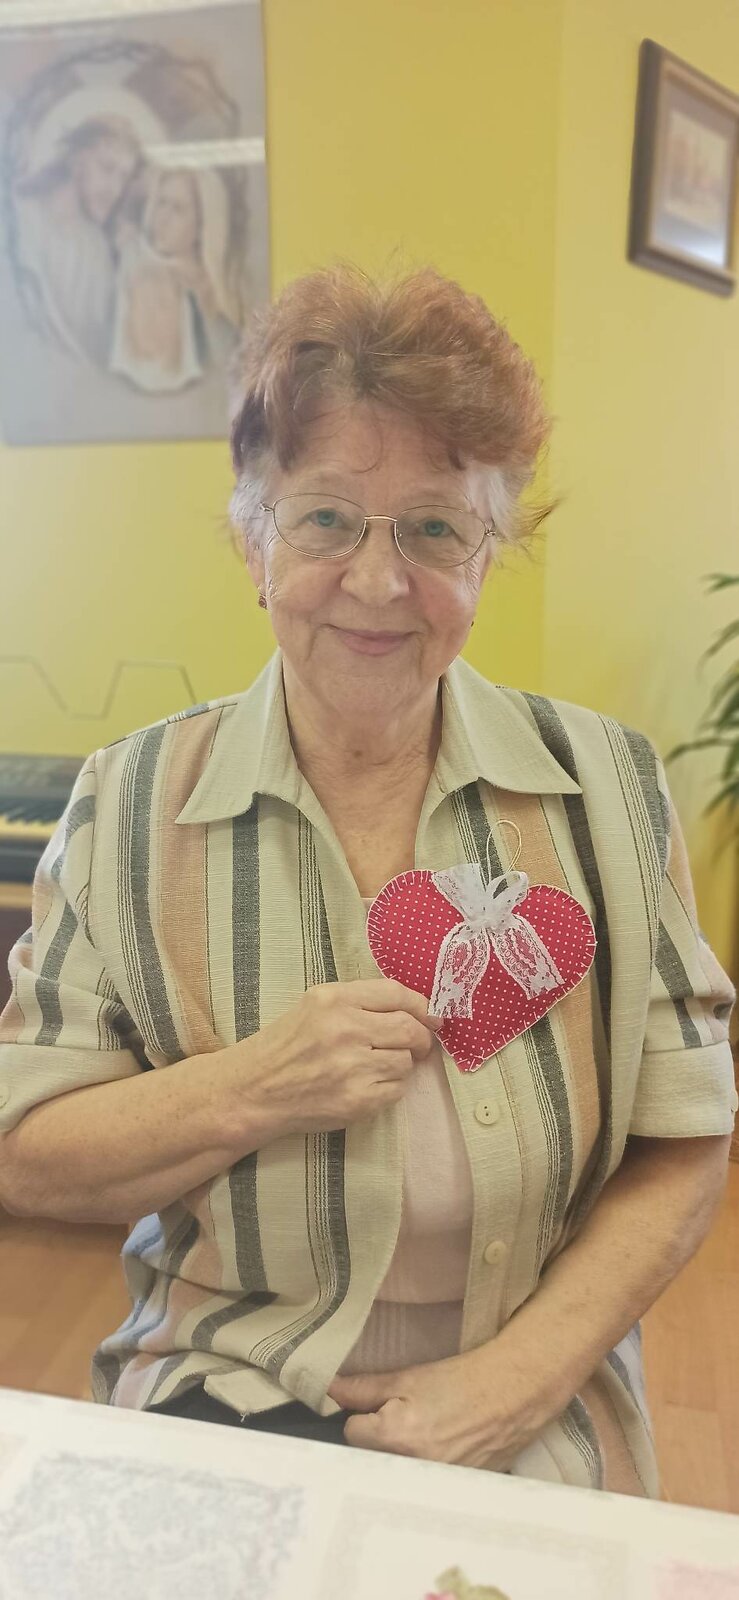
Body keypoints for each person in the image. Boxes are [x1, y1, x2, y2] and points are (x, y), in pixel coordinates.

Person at [0, 265, 735, 1497]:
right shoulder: (125, 803)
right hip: (219, 1384)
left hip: (530, 1397)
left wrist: (515, 1381)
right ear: (253, 539)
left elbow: (686, 1140)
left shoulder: (608, 788)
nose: (380, 582)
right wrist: (256, 1085)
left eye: (435, 528)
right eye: (326, 518)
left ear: (492, 554)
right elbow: (23, 1147)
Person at [14, 115, 141, 365]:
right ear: (76, 163)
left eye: (123, 178)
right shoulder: (20, 219)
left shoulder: (97, 249)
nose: (115, 189)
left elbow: (99, 341)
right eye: (107, 168)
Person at [109, 165, 237, 392]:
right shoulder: (129, 265)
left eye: (178, 209)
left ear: (202, 225)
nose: (163, 218)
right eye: (161, 203)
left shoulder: (210, 305)